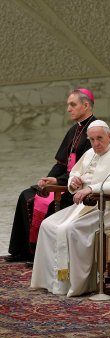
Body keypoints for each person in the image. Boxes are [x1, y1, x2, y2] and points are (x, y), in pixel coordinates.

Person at [29, 120, 110, 297]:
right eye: (92, 139)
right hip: (86, 207)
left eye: (100, 139)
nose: (96, 143)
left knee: (69, 229)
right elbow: (75, 172)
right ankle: (51, 282)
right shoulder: (90, 153)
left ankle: (79, 284)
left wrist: (91, 188)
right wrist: (75, 182)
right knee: (48, 225)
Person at [6, 88, 98, 263]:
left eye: (72, 105)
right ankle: (23, 251)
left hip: (78, 186)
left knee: (39, 203)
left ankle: (42, 255)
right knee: (26, 194)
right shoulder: (74, 130)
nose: (68, 109)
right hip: (63, 181)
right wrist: (48, 179)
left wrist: (58, 181)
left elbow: (89, 168)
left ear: (86, 105)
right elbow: (61, 163)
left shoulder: (95, 132)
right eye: (68, 105)